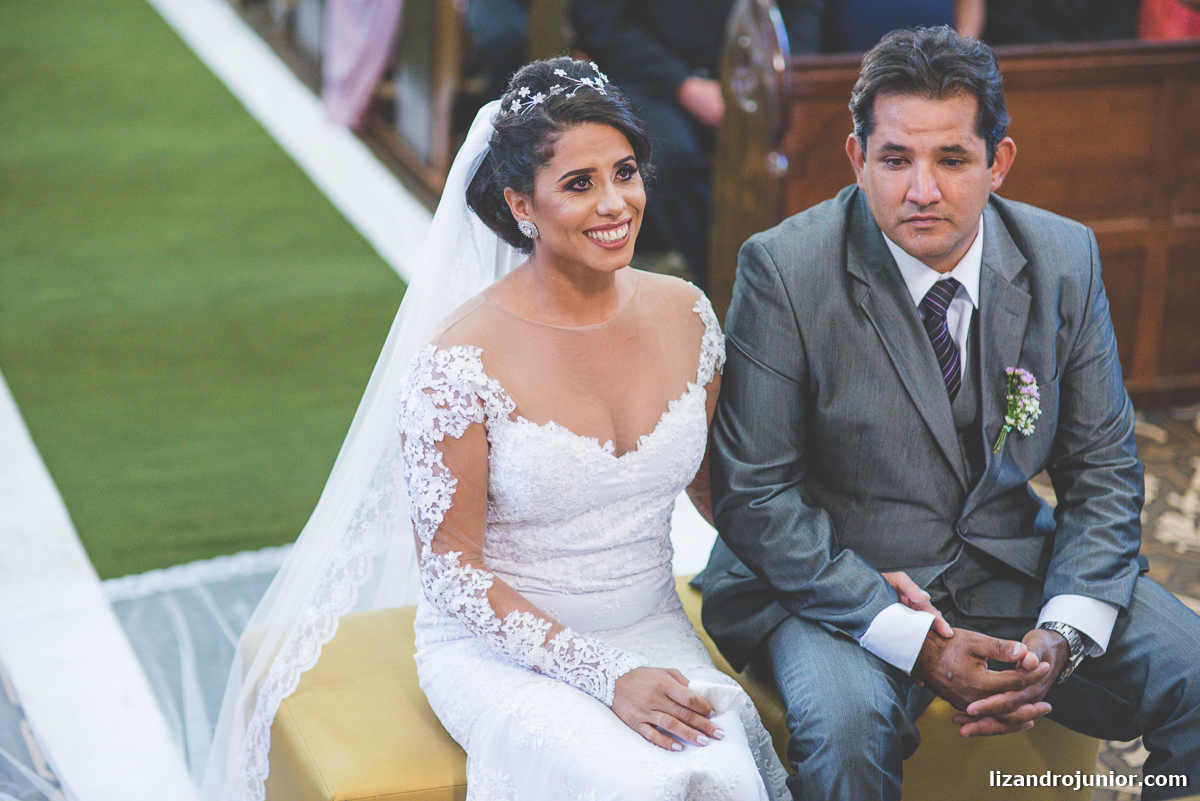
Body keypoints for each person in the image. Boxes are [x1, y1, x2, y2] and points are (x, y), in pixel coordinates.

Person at [202, 57, 790, 801]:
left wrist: (843, 571)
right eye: (579, 184)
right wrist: (605, 675)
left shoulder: (687, 313)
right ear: (521, 204)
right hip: (500, 650)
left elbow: (718, 491)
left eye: (626, 172)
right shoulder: (459, 359)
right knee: (627, 784)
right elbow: (451, 571)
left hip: (649, 626)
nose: (615, 203)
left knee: (720, 770)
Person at [698, 26, 1200, 801]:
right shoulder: (786, 268)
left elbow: (1103, 470)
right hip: (837, 580)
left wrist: (1060, 635)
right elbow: (755, 495)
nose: (921, 190)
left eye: (952, 160)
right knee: (844, 737)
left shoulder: (1064, 259)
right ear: (857, 159)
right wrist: (912, 640)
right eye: (896, 159)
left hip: (1010, 569)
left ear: (998, 163)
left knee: (1196, 673)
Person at [570, 0, 826, 288]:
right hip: (651, 79)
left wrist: (783, 80)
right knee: (669, 159)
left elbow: (801, 11)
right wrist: (683, 85)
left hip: (762, 76)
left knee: (813, 150)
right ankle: (729, 284)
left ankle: (795, 283)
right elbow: (604, 23)